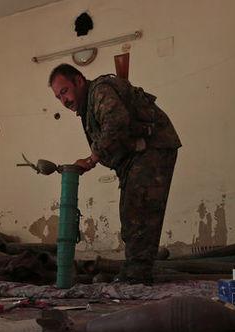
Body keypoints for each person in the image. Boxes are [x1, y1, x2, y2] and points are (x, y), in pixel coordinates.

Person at [49, 63, 181, 284]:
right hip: (137, 156)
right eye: (58, 97)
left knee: (139, 212)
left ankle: (137, 275)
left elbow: (117, 122)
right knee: (132, 214)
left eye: (64, 91)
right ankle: (135, 272)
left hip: (152, 148)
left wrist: (91, 159)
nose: (64, 101)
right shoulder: (88, 105)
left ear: (79, 81)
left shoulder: (100, 91)